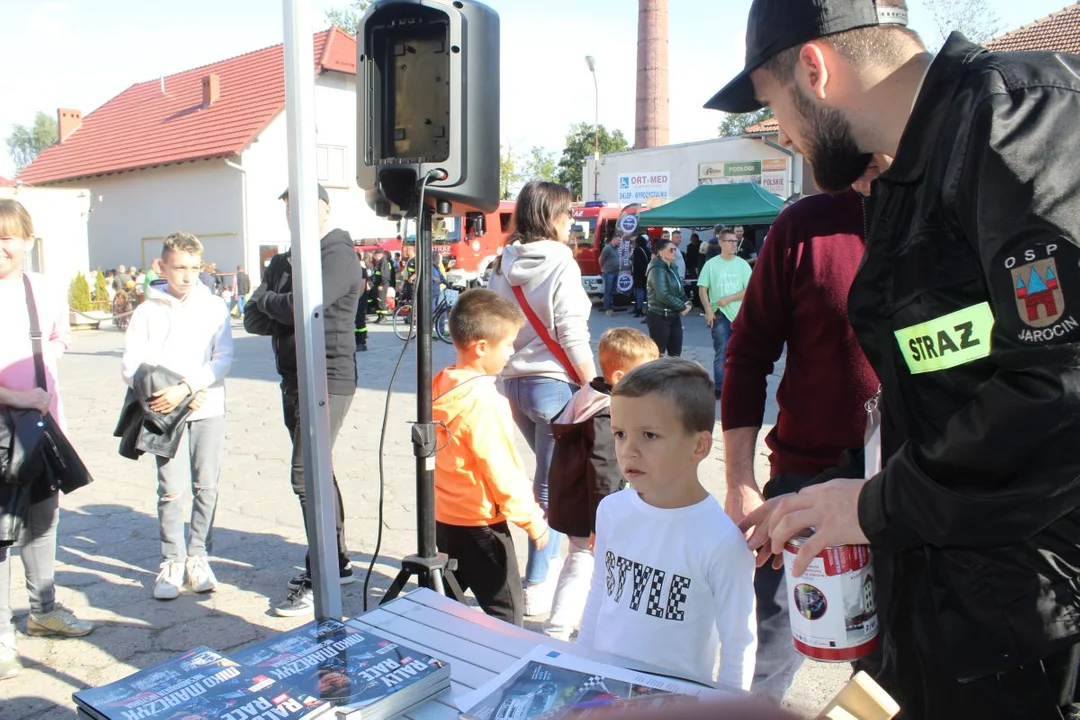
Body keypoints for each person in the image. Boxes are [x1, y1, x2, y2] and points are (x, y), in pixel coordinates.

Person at [709, 0, 1080, 714]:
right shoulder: (907, 181)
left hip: (1036, 621)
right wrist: (835, 493)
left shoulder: (1020, 121)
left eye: (772, 107)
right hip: (950, 611)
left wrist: (876, 503)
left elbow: (1061, 387)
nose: (786, 137)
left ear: (813, 70)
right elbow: (946, 397)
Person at [721, 172, 883, 701]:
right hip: (803, 481)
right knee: (769, 659)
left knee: (889, 678)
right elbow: (747, 355)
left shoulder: (949, 210)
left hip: (907, 488)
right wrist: (739, 479)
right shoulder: (804, 225)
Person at [578, 358, 756, 689]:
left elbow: (738, 640)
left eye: (649, 435)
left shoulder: (721, 541)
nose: (629, 450)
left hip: (675, 699)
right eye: (619, 434)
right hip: (603, 686)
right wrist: (580, 663)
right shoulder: (612, 511)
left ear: (700, 446)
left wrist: (730, 708)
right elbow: (600, 591)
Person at [243, 183, 363, 617]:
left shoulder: (337, 254)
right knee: (319, 471)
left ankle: (322, 573)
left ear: (326, 210)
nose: (296, 217)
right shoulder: (282, 260)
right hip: (292, 379)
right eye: (289, 210)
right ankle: (338, 560)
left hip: (329, 378)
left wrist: (272, 301)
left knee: (305, 476)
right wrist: (278, 305)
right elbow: (252, 318)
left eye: (305, 209)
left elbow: (300, 305)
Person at [488, 180, 596, 617]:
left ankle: (542, 568)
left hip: (514, 384)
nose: (573, 222)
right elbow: (572, 330)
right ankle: (535, 583)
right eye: (569, 214)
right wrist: (594, 384)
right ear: (552, 216)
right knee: (551, 488)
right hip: (553, 385)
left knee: (549, 479)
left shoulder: (503, 260)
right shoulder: (561, 263)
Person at [0, 199, 93, 679]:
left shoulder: (42, 289)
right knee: (0, 532)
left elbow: (60, 339)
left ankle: (43, 609)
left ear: (26, 242)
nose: (0, 247)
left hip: (40, 426)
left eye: (7, 237)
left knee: (43, 520)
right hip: (2, 426)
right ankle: (0, 637)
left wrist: (41, 375)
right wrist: (15, 393)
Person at [121, 232, 234, 600]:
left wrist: (189, 389)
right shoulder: (147, 311)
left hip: (207, 406)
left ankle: (198, 555)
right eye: (180, 267)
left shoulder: (214, 306)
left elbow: (223, 358)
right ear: (162, 266)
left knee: (207, 485)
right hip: (164, 411)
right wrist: (170, 393)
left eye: (195, 268)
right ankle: (171, 560)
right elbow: (132, 365)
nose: (187, 276)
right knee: (170, 490)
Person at [433, 288, 550, 626]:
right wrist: (531, 520)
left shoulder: (441, 384)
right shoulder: (486, 401)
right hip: (482, 523)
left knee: (447, 601)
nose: (512, 353)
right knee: (507, 612)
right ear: (482, 347)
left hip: (445, 518)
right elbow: (502, 470)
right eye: (509, 344)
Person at [544, 327, 659, 641]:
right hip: (590, 508)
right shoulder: (607, 413)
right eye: (646, 373)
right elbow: (604, 471)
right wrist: (601, 522)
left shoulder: (590, 394)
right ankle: (557, 628)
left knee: (593, 564)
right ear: (621, 377)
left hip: (577, 499)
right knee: (582, 563)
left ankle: (596, 625)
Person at [698, 227, 752, 400]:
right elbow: (703, 289)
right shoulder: (711, 264)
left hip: (739, 315)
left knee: (740, 352)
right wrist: (708, 310)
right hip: (719, 314)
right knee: (721, 352)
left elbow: (749, 290)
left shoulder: (742, 264)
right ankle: (720, 387)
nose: (734, 244)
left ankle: (738, 384)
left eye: (735, 241)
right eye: (730, 241)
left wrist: (729, 298)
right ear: (721, 242)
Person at [645, 238, 691, 357]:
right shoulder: (657, 268)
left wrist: (688, 303)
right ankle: (656, 376)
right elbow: (662, 294)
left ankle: (673, 375)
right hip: (659, 315)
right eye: (671, 249)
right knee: (658, 354)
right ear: (660, 252)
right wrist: (682, 306)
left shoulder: (672, 267)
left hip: (673, 314)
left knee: (675, 353)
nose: (674, 252)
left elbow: (679, 290)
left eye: (675, 249)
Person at [599, 234, 621, 317]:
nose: (619, 242)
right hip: (608, 272)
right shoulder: (608, 248)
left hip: (615, 272)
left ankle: (610, 308)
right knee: (608, 291)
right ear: (614, 239)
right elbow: (601, 259)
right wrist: (603, 268)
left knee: (613, 291)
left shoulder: (616, 248)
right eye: (618, 240)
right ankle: (607, 309)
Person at [631, 235, 650, 319]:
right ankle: (648, 309)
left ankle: (639, 309)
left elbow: (636, 264)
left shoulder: (637, 250)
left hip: (638, 274)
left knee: (639, 292)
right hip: (646, 273)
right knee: (646, 291)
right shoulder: (648, 250)